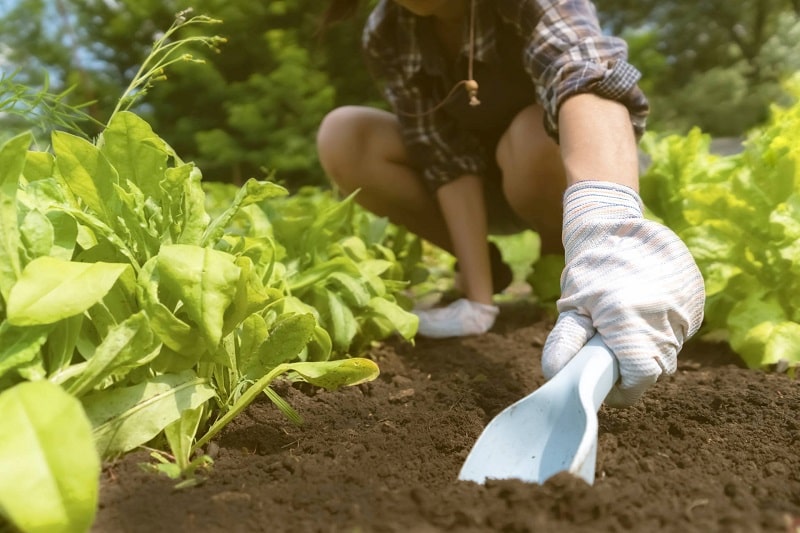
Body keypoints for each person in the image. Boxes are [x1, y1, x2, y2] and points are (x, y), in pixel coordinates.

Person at [316, 0, 705, 406]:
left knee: (529, 134)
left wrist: (610, 232)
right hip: (485, 191)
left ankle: (566, 263)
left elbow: (584, 70)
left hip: (554, 168)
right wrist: (477, 300)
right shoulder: (387, 32)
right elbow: (443, 156)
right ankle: (485, 269)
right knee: (344, 134)